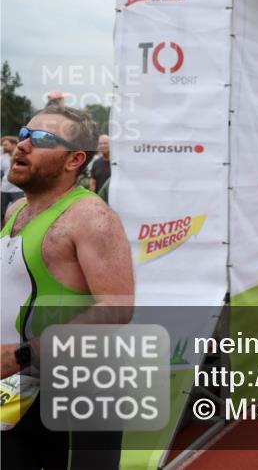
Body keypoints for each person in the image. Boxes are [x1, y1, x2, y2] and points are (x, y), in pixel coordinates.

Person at [1, 105, 134, 469]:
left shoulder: (90, 217)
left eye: (41, 139)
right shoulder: (16, 211)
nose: (23, 145)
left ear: (75, 159)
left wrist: (22, 354)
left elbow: (118, 308)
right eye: (23, 134)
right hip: (17, 392)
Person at [1, 136, 24, 218]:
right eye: (3, 145)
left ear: (14, 144)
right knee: (2, 213)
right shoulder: (3, 157)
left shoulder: (23, 157)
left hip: (18, 190)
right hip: (4, 189)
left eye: (6, 145)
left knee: (17, 214)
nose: (4, 147)